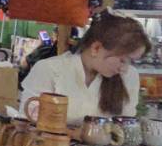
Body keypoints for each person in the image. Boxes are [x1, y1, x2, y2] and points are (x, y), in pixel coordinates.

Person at [17, 11, 149, 125]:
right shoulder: (50, 70)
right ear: (96, 48)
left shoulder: (129, 77)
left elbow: (126, 127)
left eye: (131, 62)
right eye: (122, 60)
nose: (125, 69)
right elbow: (28, 123)